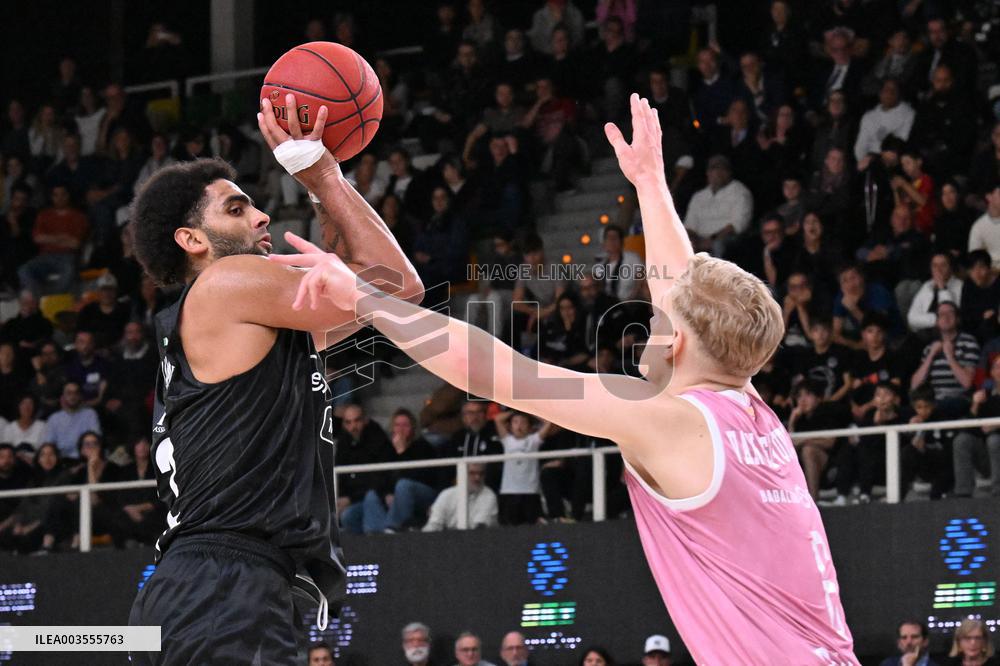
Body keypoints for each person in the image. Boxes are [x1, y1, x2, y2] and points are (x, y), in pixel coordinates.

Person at [271, 94, 858, 663]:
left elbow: (500, 373)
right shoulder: (753, 409)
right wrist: (649, 182)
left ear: (673, 343)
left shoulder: (673, 421)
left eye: (654, 319)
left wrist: (366, 298)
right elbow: (680, 289)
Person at [126, 93, 423, 665]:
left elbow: (381, 290)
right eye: (236, 210)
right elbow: (397, 289)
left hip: (207, 588)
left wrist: (320, 188)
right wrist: (324, 176)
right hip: (222, 588)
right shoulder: (227, 284)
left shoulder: (249, 318)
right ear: (191, 241)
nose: (262, 215)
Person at [494, 410, 556, 525]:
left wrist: (529, 411)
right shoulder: (507, 441)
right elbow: (498, 419)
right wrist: (516, 409)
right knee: (509, 527)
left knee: (532, 527)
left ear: (529, 426)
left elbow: (548, 422)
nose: (519, 425)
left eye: (523, 422)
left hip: (530, 491)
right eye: (515, 422)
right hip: (509, 491)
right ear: (510, 426)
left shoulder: (534, 441)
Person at [951, 354, 1000, 498]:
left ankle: (998, 492)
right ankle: (963, 493)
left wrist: (996, 427)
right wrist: (975, 404)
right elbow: (970, 427)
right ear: (991, 372)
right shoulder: (985, 397)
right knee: (962, 439)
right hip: (986, 456)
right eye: (996, 367)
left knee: (995, 440)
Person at [423, 463, 498, 531]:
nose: (477, 478)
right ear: (462, 473)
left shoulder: (489, 496)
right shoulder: (446, 494)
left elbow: (479, 529)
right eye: (472, 473)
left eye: (481, 474)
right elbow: (434, 525)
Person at [42, 382, 101, 461]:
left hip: (85, 459)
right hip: (61, 461)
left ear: (80, 396)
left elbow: (95, 440)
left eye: (76, 393)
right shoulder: (54, 418)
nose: (73, 396)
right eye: (69, 393)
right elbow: (48, 444)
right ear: (62, 397)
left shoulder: (90, 414)